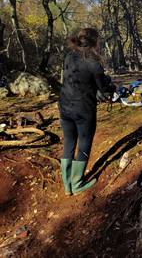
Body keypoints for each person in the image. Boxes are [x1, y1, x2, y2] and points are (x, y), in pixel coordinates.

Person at [59, 28, 114, 195]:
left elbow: (74, 79)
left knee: (68, 141)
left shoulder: (69, 56)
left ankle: (67, 185)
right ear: (95, 42)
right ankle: (76, 184)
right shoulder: (93, 63)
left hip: (64, 105)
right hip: (83, 110)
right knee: (84, 142)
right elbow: (103, 88)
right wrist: (110, 84)